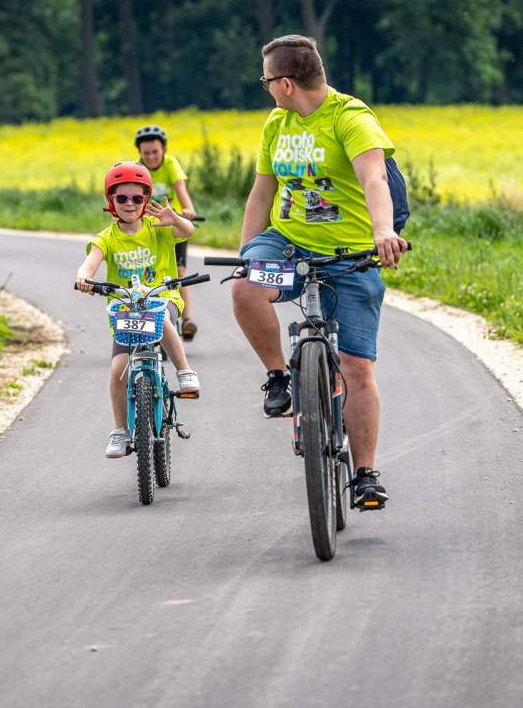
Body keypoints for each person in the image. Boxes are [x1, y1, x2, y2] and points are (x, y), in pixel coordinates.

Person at [232, 34, 409, 508]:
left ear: (286, 83)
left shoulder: (351, 119)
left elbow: (374, 178)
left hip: (350, 253)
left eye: (266, 80)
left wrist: (383, 231)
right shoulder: (277, 122)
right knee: (246, 288)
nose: (265, 87)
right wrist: (247, 251)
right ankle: (278, 376)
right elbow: (262, 193)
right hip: (287, 244)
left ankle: (365, 473)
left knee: (356, 367)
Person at [76, 162, 201, 459]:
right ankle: (120, 430)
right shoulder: (106, 237)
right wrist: (83, 278)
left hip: (162, 295)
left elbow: (189, 230)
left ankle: (185, 371)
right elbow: (91, 262)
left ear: (146, 200)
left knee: (161, 315)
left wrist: (175, 219)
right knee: (119, 370)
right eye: (122, 198)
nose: (129, 204)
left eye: (136, 198)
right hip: (125, 309)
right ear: (111, 202)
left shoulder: (158, 228)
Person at [134, 125, 200, 341]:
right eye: (146, 153)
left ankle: (187, 319)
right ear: (140, 154)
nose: (151, 157)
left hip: (172, 225)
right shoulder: (137, 170)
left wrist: (187, 210)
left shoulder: (171, 164)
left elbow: (180, 189)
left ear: (164, 150)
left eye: (155, 151)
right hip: (148, 228)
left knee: (179, 273)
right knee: (148, 273)